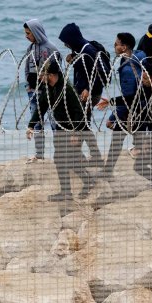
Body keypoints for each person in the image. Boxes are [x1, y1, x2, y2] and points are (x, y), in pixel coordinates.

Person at [28, 59, 95, 202]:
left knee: (67, 159)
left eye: (42, 74)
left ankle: (85, 183)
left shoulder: (67, 89)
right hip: (61, 128)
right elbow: (42, 106)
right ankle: (69, 190)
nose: (39, 77)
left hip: (73, 129)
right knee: (61, 159)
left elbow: (79, 112)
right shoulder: (49, 87)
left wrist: (76, 133)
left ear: (51, 75)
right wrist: (31, 125)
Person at [97, 33, 146, 176]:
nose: (114, 46)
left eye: (116, 44)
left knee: (117, 139)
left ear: (124, 47)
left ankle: (108, 171)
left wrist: (114, 115)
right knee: (141, 141)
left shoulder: (127, 70)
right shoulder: (139, 55)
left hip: (132, 110)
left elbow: (128, 98)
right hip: (143, 107)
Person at [57, 22, 104, 164]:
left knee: (81, 124)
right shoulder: (80, 49)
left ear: (72, 39)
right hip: (84, 92)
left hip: (89, 94)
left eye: (66, 42)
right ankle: (90, 156)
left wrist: (88, 89)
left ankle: (79, 156)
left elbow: (98, 73)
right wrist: (73, 59)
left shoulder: (88, 50)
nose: (65, 45)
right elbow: (84, 69)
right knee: (83, 124)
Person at [23, 19, 59, 163]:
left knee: (54, 122)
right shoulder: (30, 48)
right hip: (34, 91)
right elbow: (26, 67)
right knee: (37, 123)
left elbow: (58, 71)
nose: (26, 36)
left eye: (28, 33)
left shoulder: (51, 48)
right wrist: (28, 84)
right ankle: (39, 154)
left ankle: (60, 154)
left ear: (36, 32)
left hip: (49, 92)